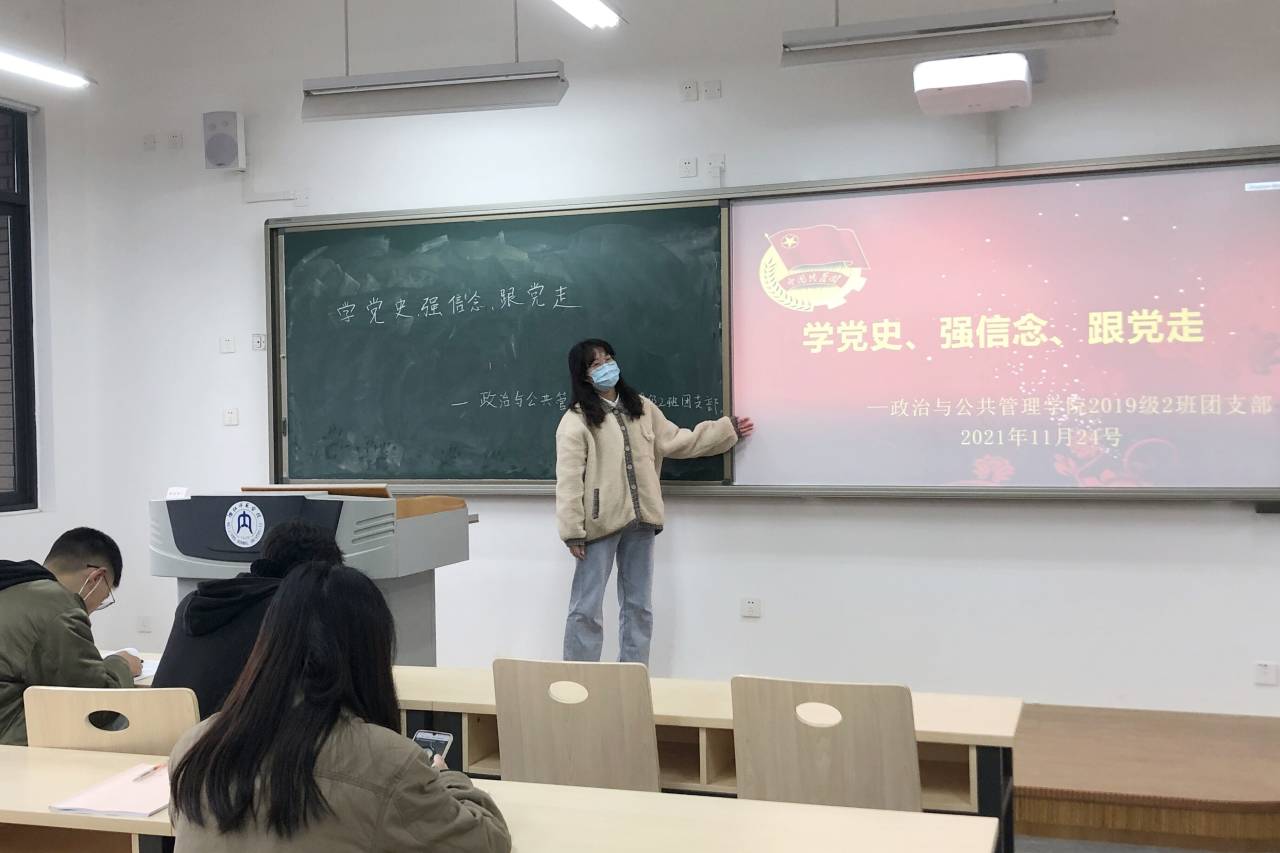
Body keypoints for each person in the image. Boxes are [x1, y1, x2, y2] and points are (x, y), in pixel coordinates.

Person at [170, 561, 511, 852]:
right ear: (371, 655)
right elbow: (488, 840)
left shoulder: (194, 747)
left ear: (269, 643)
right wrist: (446, 777)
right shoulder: (388, 764)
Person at [555, 339, 754, 665]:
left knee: (639, 607)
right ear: (583, 374)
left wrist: (725, 431)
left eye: (608, 358)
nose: (606, 367)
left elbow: (677, 441)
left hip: (642, 522)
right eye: (595, 363)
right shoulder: (576, 420)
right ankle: (579, 679)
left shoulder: (642, 408)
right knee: (585, 608)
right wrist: (572, 530)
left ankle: (633, 676)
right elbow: (569, 479)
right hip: (597, 524)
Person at [152, 518, 343, 718]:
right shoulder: (291, 611)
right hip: (227, 733)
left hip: (158, 728)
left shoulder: (192, 601)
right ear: (316, 574)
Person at [0, 527, 142, 745]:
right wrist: (121, 664)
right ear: (97, 577)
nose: (95, 608)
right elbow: (95, 706)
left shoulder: (11, 584)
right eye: (104, 598)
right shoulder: (57, 606)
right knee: (131, 721)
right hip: (11, 743)